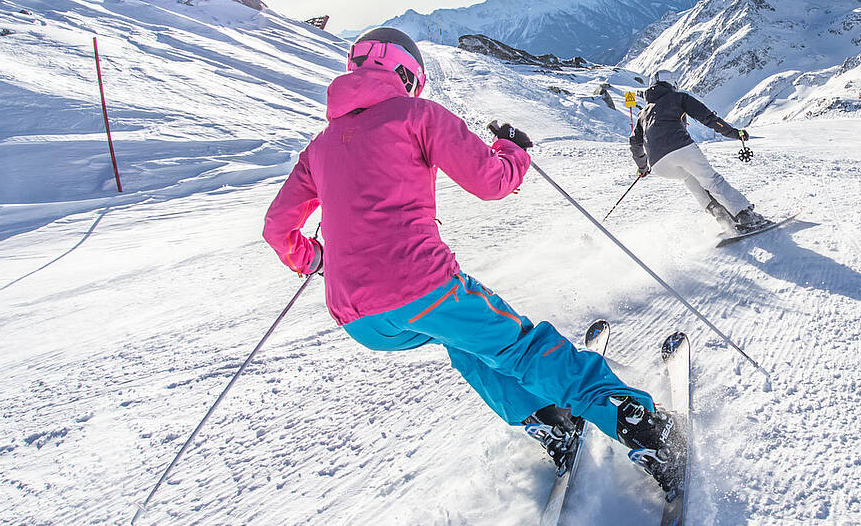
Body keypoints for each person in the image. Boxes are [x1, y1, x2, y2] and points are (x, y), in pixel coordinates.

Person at [263, 27, 680, 489]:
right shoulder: (417, 115)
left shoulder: (319, 147)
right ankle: (640, 425)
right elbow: (490, 182)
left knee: (463, 341)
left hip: (360, 321)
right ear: (407, 73)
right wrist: (513, 151)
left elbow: (277, 228)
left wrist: (315, 259)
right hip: (422, 288)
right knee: (523, 347)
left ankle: (548, 420)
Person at [628, 76, 769, 233]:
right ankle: (746, 217)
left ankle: (724, 218)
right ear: (672, 84)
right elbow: (708, 118)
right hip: (681, 148)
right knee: (711, 180)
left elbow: (635, 143)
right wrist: (735, 133)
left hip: (659, 165)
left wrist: (642, 168)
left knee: (690, 178)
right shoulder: (678, 97)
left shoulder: (642, 114)